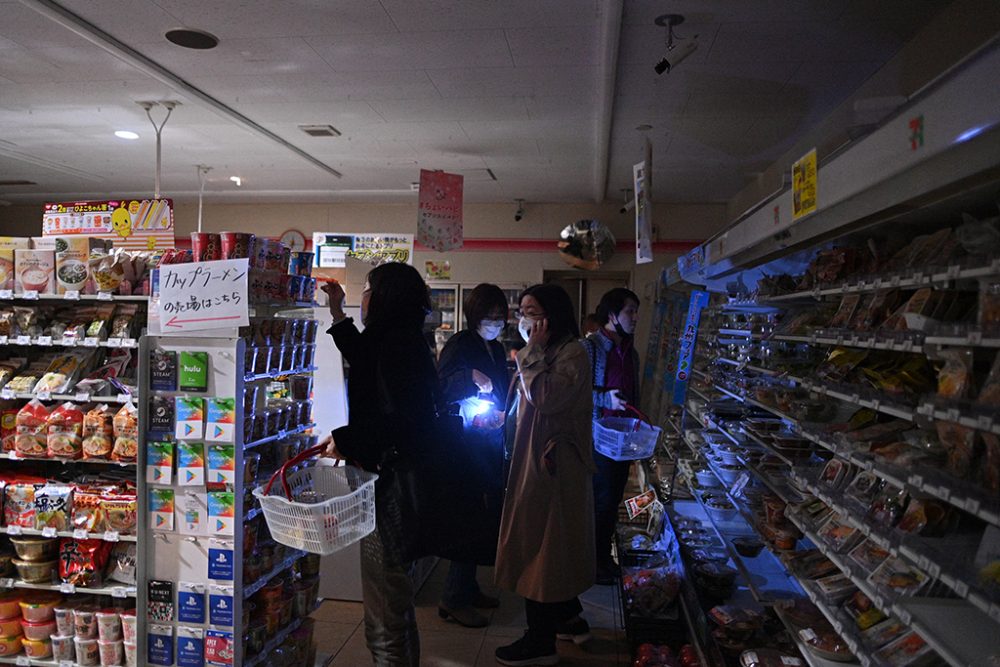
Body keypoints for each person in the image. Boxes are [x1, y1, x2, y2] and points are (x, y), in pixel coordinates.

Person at [319, 263, 437, 667]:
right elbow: (363, 356)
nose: (363, 297)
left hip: (389, 487)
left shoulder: (397, 344)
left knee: (385, 613)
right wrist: (336, 312)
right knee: (395, 604)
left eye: (367, 289)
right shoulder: (396, 337)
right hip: (393, 481)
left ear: (384, 296)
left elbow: (399, 421)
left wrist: (346, 438)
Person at [494, 283, 596, 666]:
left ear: (552, 314)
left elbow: (548, 397)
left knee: (541, 549)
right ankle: (568, 619)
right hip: (535, 461)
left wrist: (529, 354)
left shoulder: (572, 352)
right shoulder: (553, 350)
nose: (525, 319)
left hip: (552, 466)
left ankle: (540, 641)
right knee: (545, 547)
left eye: (533, 311)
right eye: (522, 310)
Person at [435, 283, 510, 628]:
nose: (495, 323)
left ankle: (467, 587)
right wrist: (469, 377)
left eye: (499, 317)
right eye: (489, 317)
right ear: (474, 316)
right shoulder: (461, 343)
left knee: (482, 517)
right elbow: (441, 385)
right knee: (467, 518)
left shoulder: (495, 347)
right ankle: (453, 597)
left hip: (488, 442)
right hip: (465, 446)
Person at [581, 288, 640, 585]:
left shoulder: (631, 351)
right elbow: (574, 391)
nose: (635, 318)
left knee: (612, 500)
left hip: (624, 441)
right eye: (630, 311)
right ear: (612, 315)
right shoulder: (590, 348)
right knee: (600, 503)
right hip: (598, 439)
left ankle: (602, 558)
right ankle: (593, 563)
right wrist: (606, 400)